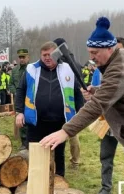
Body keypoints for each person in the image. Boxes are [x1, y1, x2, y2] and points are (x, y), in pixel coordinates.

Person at [40, 17, 124, 190]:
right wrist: (97, 90)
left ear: (109, 48)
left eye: (95, 53)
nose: (91, 58)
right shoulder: (118, 57)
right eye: (89, 52)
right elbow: (120, 90)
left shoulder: (120, 68)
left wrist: (65, 131)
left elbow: (96, 106)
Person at [15, 41, 83, 177]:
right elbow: (21, 90)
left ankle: (58, 180)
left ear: (56, 54)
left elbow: (77, 93)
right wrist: (19, 112)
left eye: (50, 54)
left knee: (58, 154)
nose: (47, 57)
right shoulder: (31, 69)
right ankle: (35, 181)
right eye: (44, 55)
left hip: (59, 122)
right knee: (35, 152)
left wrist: (80, 113)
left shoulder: (68, 69)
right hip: (36, 121)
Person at [91, 36, 124, 193]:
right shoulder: (100, 70)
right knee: (106, 156)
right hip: (106, 122)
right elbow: (101, 93)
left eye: (118, 50)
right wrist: (93, 92)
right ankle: (105, 187)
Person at [53, 38, 83, 169]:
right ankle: (75, 160)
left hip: (68, 102)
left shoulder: (64, 62)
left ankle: (72, 160)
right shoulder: (74, 60)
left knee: (70, 132)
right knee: (72, 132)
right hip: (75, 102)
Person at [9, 49, 30, 150]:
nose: (21, 59)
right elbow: (11, 84)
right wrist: (16, 92)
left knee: (30, 118)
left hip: (30, 98)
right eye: (20, 57)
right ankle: (24, 141)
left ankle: (32, 139)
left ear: (28, 57)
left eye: (23, 57)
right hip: (19, 99)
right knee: (20, 120)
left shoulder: (32, 68)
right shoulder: (14, 70)